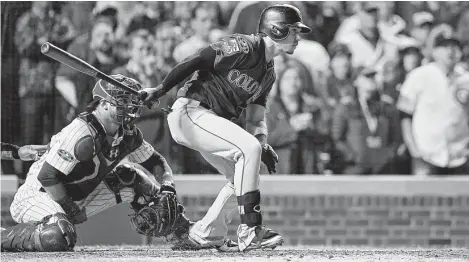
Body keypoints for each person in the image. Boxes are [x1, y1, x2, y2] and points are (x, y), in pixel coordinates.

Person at [141, 4, 311, 252]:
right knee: (248, 149)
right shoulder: (245, 46)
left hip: (207, 120)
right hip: (191, 111)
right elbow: (198, 59)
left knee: (242, 178)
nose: (298, 37)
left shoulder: (269, 73)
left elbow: (256, 118)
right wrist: (161, 89)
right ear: (277, 30)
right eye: (294, 31)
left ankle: (206, 233)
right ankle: (251, 230)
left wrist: (262, 142)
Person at [1, 75, 191, 252]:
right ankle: (3, 236)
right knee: (58, 236)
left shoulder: (128, 134)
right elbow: (47, 176)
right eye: (123, 101)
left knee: (132, 177)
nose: (130, 107)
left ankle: (185, 233)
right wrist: (71, 209)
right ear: (103, 104)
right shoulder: (82, 132)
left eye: (131, 101)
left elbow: (156, 161)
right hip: (39, 195)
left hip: (76, 194)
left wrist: (167, 188)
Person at [397, 30, 469, 175]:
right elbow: (404, 115)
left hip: (459, 154)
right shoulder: (419, 75)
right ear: (434, 51)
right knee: (422, 197)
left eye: (454, 47)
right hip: (426, 154)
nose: (450, 51)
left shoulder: (465, 79)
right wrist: (412, 148)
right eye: (445, 47)